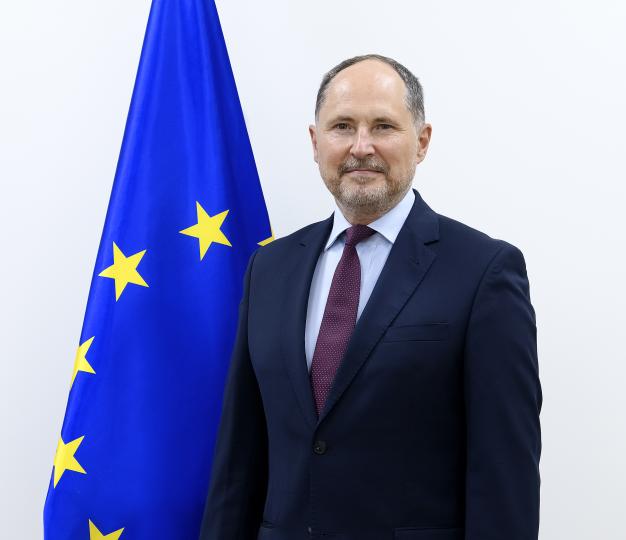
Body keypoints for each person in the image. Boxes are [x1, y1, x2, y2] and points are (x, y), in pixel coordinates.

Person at [199, 54, 542, 540]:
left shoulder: (484, 272)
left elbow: (505, 475)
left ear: (421, 142)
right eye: (342, 127)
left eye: (384, 126)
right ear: (316, 143)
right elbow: (240, 459)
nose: (362, 147)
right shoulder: (269, 269)